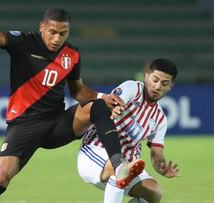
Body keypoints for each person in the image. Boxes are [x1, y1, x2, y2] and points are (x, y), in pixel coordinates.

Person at [0, 8, 129, 203]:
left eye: (63, 34)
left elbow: (78, 91)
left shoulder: (71, 55)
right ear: (42, 27)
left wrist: (102, 96)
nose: (57, 39)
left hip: (57, 123)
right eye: (52, 32)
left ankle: (118, 164)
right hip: (24, 125)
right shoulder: (23, 42)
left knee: (98, 106)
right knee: (2, 175)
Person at [77, 58, 181, 203]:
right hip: (95, 152)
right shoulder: (132, 88)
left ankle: (121, 171)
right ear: (146, 76)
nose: (157, 87)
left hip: (128, 165)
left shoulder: (160, 119)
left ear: (171, 86)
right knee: (120, 170)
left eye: (164, 83)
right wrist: (116, 107)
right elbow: (117, 101)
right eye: (155, 80)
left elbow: (157, 154)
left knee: (154, 193)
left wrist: (162, 167)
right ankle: (120, 170)